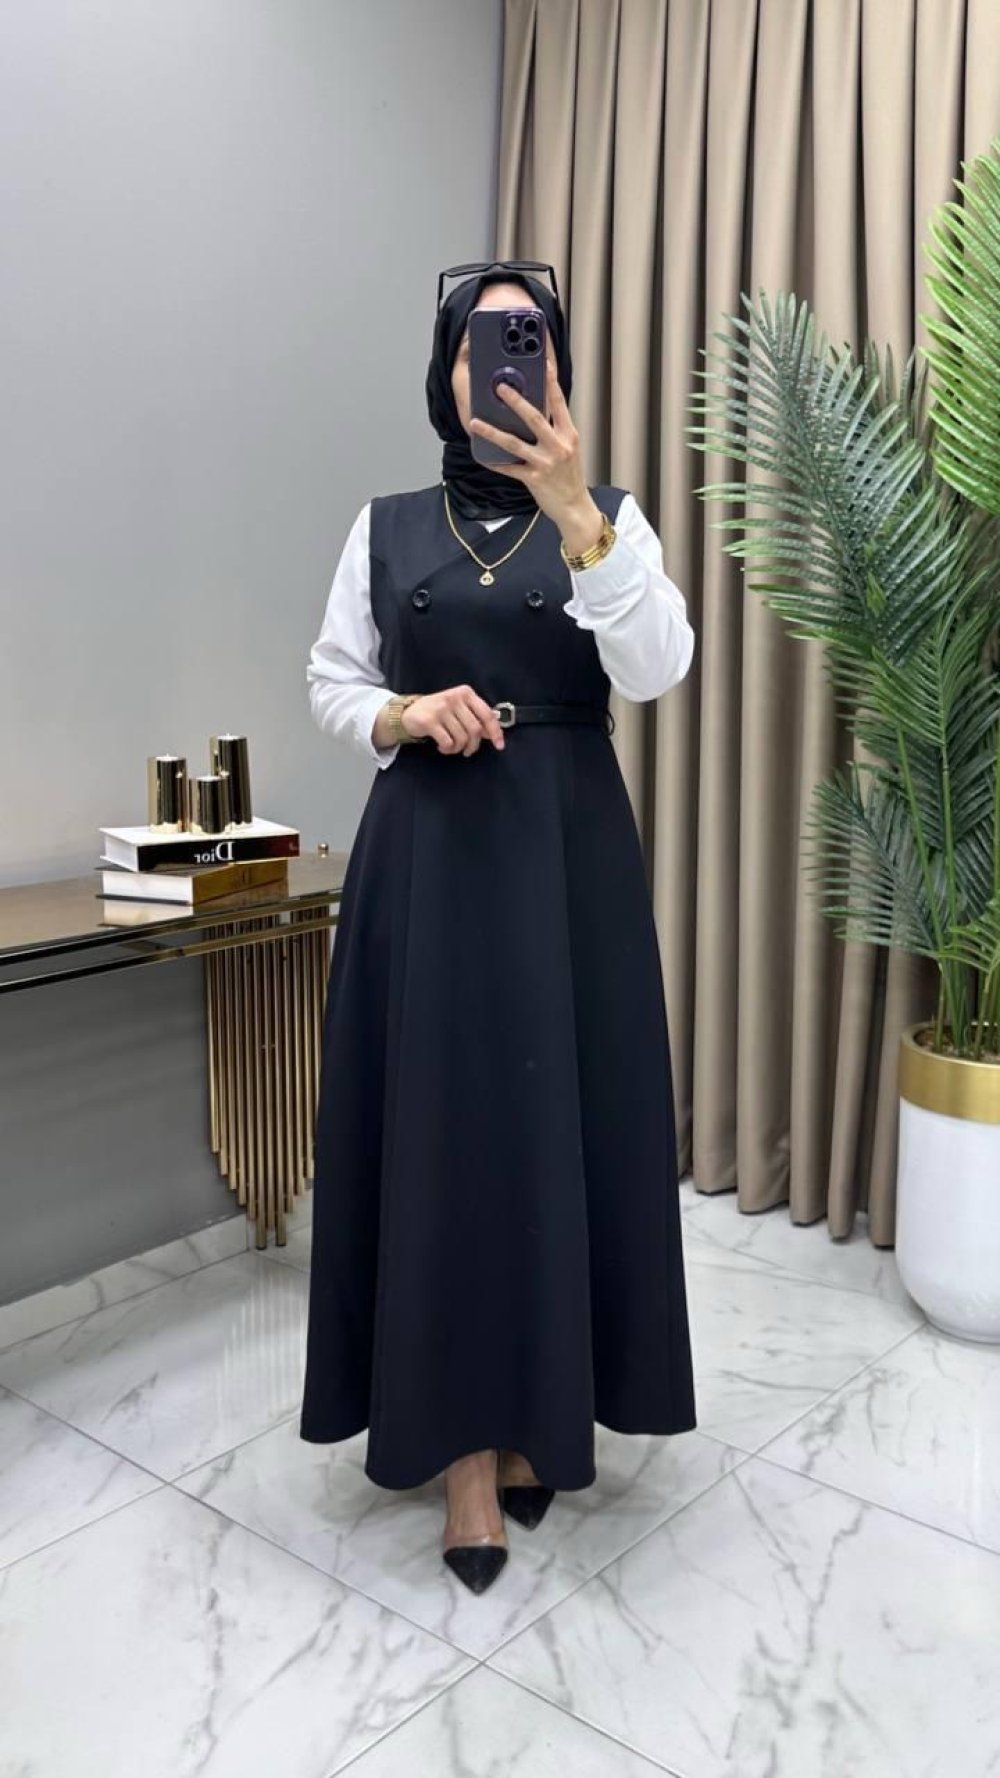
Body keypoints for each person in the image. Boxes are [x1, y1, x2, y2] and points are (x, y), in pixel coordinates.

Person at [299, 259, 697, 1595]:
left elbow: (658, 668)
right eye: (483, 344)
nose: (506, 363)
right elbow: (333, 680)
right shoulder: (386, 527)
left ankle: (539, 1415)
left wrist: (577, 509)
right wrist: (405, 713)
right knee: (443, 1140)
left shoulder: (609, 519)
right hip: (428, 859)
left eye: (530, 341)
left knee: (554, 1132)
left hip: (565, 861)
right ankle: (463, 1457)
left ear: (559, 370)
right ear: (448, 372)